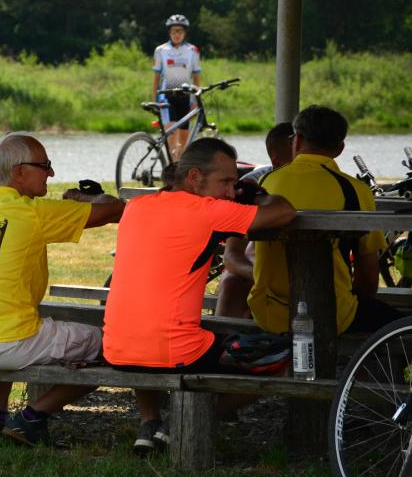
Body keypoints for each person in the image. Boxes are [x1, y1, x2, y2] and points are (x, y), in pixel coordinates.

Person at [103, 137, 296, 455]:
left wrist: (234, 193)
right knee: (280, 359)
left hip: (117, 348)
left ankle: (150, 423)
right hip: (177, 352)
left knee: (149, 330)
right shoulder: (208, 211)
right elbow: (284, 212)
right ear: (194, 177)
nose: (231, 192)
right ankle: (179, 425)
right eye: (226, 182)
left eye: (235, 184)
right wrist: (257, 194)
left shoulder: (137, 206)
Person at [0, 132, 126, 447]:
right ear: (19, 172)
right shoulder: (34, 212)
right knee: (114, 345)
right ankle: (31, 417)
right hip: (6, 344)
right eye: (44, 165)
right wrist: (89, 199)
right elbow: (116, 210)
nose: (51, 172)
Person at [248, 105, 402, 335]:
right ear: (340, 148)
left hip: (269, 314)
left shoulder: (267, 182)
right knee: (401, 326)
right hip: (334, 313)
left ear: (297, 140)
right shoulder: (355, 190)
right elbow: (369, 278)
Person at [215, 122, 295, 318]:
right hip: (259, 271)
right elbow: (231, 257)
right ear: (276, 162)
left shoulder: (335, 182)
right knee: (231, 283)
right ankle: (223, 336)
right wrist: (257, 275)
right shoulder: (252, 185)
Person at [153, 14, 201, 161]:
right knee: (172, 136)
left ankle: (178, 167)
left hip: (186, 97)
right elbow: (156, 78)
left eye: (180, 31)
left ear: (185, 32)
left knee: (184, 144)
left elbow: (196, 77)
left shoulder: (192, 50)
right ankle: (172, 166)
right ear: (169, 32)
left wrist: (196, 100)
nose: (177, 34)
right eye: (174, 31)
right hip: (167, 96)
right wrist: (155, 99)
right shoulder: (161, 50)